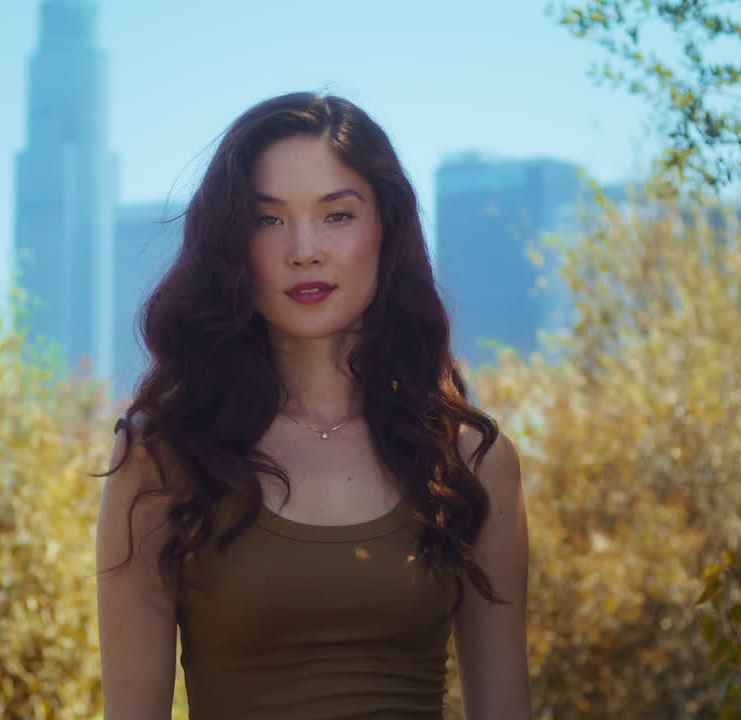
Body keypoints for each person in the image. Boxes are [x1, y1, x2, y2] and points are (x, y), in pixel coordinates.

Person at [95, 92, 530, 719]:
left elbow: (504, 707)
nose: (304, 250)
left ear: (386, 227)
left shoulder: (468, 461)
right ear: (232, 243)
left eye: (337, 215)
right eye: (267, 219)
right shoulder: (164, 453)